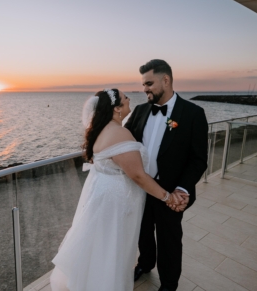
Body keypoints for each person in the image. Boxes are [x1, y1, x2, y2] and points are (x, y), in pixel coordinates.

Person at [50, 88, 186, 291]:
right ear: (117, 109)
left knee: (100, 245)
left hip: (103, 195)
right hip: (116, 201)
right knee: (112, 247)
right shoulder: (119, 133)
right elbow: (138, 175)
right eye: (125, 98)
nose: (130, 98)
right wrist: (167, 197)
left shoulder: (101, 129)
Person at [125, 59, 208, 291]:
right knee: (142, 231)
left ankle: (169, 284)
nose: (145, 89)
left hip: (170, 192)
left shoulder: (193, 114)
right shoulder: (141, 111)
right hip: (141, 187)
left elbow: (198, 159)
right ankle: (145, 263)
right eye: (143, 84)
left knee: (169, 240)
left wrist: (181, 189)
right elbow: (125, 142)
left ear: (166, 80)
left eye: (149, 83)